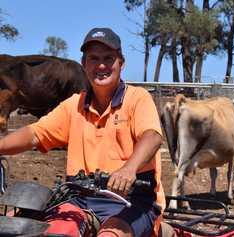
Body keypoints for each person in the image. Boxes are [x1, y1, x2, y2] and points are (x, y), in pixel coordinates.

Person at [0, 27, 165, 237]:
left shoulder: (137, 98)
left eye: (109, 58)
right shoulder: (73, 105)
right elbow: (35, 133)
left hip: (131, 200)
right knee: (52, 230)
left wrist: (129, 169)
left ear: (121, 64)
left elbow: (152, 137)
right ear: (84, 65)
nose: (102, 65)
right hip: (80, 199)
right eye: (94, 59)